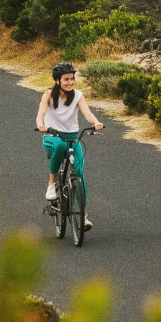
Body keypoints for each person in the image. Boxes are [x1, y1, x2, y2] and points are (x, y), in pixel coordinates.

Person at [35, 62, 103, 231]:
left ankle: (83, 215)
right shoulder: (49, 96)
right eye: (66, 79)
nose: (70, 82)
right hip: (52, 136)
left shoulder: (78, 95)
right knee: (58, 145)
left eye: (72, 79)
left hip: (73, 139)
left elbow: (87, 113)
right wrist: (41, 125)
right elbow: (41, 113)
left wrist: (95, 122)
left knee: (79, 173)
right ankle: (52, 185)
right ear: (58, 81)